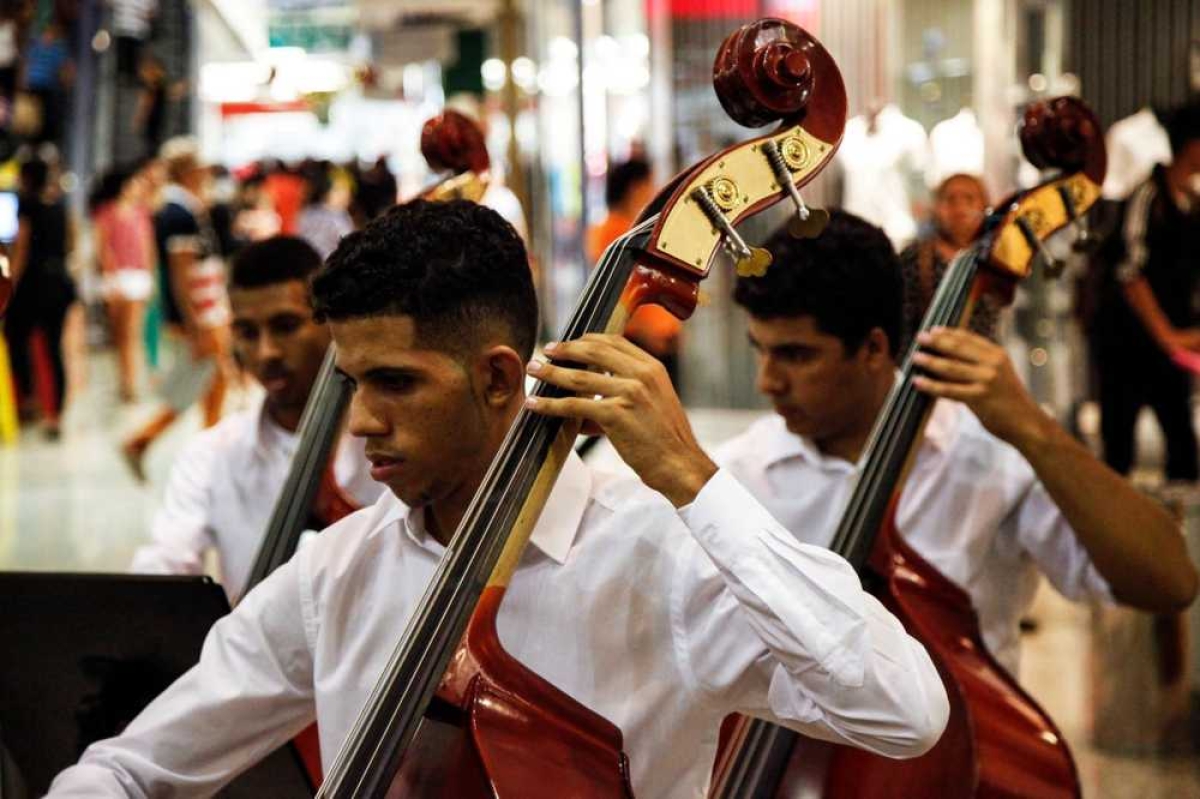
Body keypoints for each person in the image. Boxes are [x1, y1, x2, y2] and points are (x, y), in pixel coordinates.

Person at [49, 200, 948, 798]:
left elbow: (905, 713)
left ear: (498, 376)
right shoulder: (336, 569)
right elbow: (134, 766)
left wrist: (690, 480)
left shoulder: (660, 557)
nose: (359, 421)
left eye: (395, 382)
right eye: (353, 380)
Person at [715, 211, 1197, 676]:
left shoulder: (990, 453)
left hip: (967, 754)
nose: (767, 382)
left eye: (794, 355)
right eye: (760, 350)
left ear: (874, 349)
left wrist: (1035, 430)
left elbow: (1169, 582)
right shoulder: (737, 474)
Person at [130, 236, 380, 602]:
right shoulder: (211, 455)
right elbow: (165, 565)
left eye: (286, 325)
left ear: (330, 322)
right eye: (247, 332)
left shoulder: (388, 442)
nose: (266, 352)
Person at [1093, 102, 1200, 482]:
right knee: (1118, 448)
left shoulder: (1190, 200)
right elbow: (1128, 271)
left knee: (1182, 448)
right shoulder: (1148, 196)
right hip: (1128, 342)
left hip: (1165, 346)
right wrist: (1168, 336)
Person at [121, 137, 230, 480]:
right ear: (187, 170)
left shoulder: (184, 208)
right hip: (198, 313)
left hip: (204, 310)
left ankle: (209, 451)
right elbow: (180, 274)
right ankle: (143, 439)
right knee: (200, 380)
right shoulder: (177, 212)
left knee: (212, 380)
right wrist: (196, 324)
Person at [587, 158, 682, 379]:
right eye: (649, 183)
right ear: (634, 187)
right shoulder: (614, 231)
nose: (654, 190)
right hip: (642, 343)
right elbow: (615, 292)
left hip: (657, 342)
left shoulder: (635, 227)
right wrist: (645, 333)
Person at [3, 155, 75, 439]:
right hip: (59, 283)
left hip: (33, 284)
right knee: (54, 348)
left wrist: (10, 284)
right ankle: (55, 414)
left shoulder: (27, 206)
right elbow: (70, 242)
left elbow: (20, 249)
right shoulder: (60, 206)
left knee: (16, 337)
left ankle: (28, 399)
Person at [896, 172, 992, 355]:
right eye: (950, 200)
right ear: (936, 208)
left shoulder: (992, 259)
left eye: (969, 199)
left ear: (984, 205)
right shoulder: (915, 257)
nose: (959, 208)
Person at [90, 161, 156, 401]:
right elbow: (103, 247)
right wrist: (111, 275)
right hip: (117, 278)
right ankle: (125, 379)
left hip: (137, 277)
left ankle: (131, 382)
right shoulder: (106, 213)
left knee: (131, 333)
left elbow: (147, 247)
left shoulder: (141, 213)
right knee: (119, 335)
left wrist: (149, 275)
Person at [297, 161, 353, 260]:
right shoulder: (339, 216)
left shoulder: (307, 212)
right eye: (339, 190)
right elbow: (348, 246)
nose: (345, 196)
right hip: (330, 267)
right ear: (327, 192)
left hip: (310, 265)